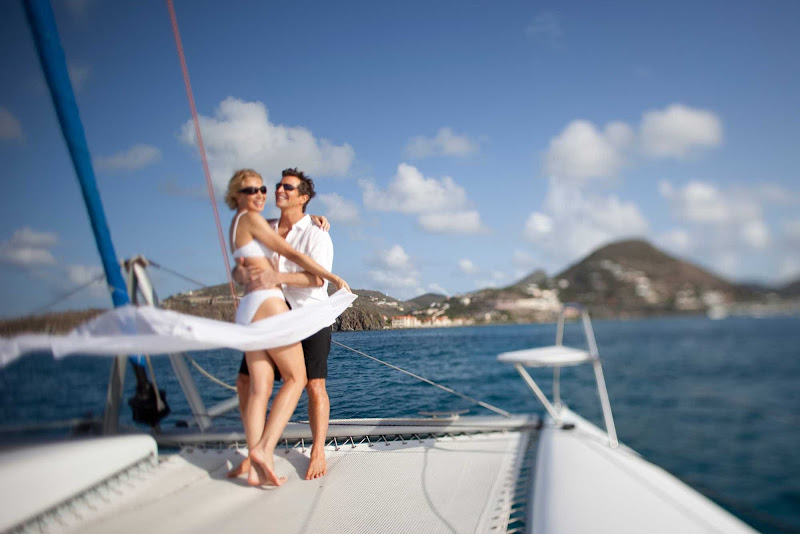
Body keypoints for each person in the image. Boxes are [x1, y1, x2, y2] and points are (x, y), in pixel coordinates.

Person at [225, 168, 349, 487]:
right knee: (246, 381)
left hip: (311, 314)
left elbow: (316, 278)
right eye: (278, 185)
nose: (279, 190)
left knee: (313, 385)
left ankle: (318, 450)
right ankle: (256, 453)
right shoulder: (263, 226)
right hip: (275, 313)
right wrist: (244, 277)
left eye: (288, 187)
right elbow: (242, 264)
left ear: (303, 197)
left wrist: (275, 277)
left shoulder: (317, 233)